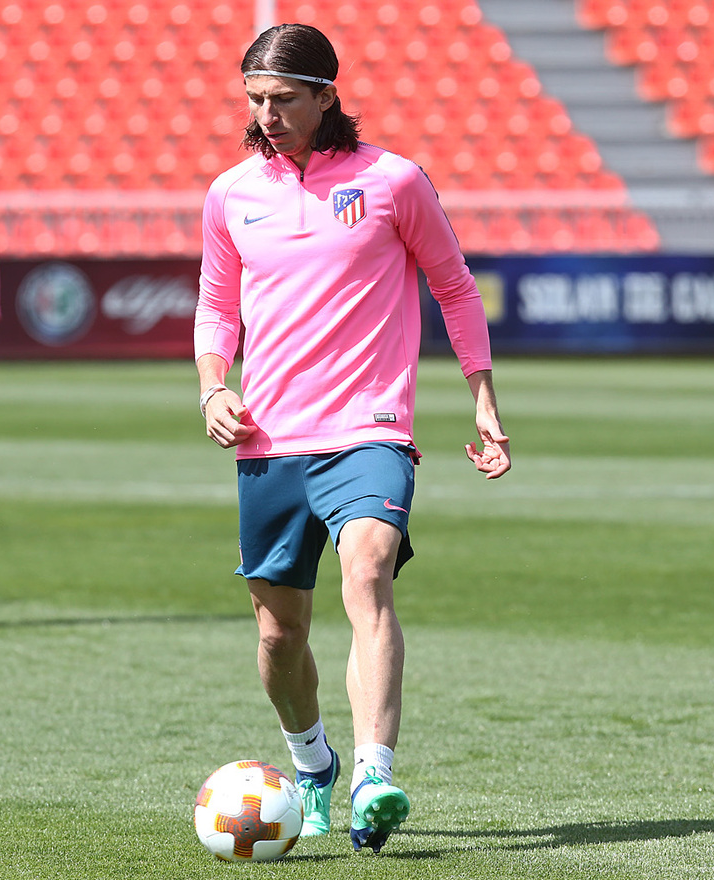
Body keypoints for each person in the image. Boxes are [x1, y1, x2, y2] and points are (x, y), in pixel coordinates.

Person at [194, 24, 511, 854]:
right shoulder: (231, 193)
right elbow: (217, 304)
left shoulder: (394, 182)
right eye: (255, 100)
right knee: (277, 636)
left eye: (284, 99)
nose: (267, 115)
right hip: (269, 442)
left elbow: (454, 285)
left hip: (370, 429)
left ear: (327, 96)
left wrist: (482, 395)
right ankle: (314, 763)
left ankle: (375, 772)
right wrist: (212, 385)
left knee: (368, 574)